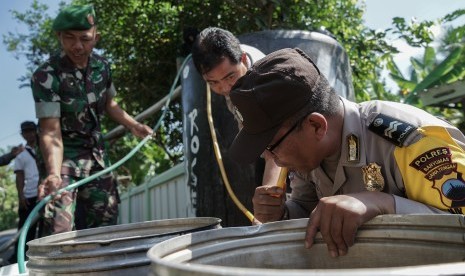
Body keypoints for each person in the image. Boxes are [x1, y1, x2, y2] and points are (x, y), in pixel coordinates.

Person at [228, 48, 465, 258]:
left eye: (271, 146)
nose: (270, 159)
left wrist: (382, 203)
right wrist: (281, 213)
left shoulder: (411, 140)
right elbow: (306, 207)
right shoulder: (308, 156)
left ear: (316, 126)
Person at [31, 5, 153, 235]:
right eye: (69, 38)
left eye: (85, 39)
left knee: (105, 224)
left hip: (97, 159)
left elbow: (109, 104)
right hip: (64, 160)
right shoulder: (46, 75)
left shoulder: (102, 67)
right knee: (59, 228)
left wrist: (134, 125)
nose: (77, 46)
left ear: (96, 37)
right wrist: (54, 174)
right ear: (59, 37)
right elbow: (50, 131)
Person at [191, 27, 282, 212]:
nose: (224, 88)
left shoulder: (265, 80)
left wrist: (266, 209)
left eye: (229, 76)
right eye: (212, 82)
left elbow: (277, 147)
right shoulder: (231, 72)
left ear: (242, 58)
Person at [9, 121, 40, 264]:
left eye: (31, 130)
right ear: (22, 134)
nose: (29, 134)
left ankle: (41, 256)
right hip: (30, 195)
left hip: (44, 193)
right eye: (26, 132)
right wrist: (21, 195)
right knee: (26, 230)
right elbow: (19, 176)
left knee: (48, 226)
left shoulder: (44, 148)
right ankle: (18, 259)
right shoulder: (21, 155)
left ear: (36, 131)